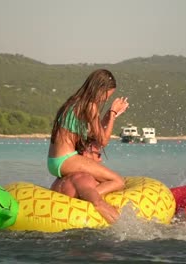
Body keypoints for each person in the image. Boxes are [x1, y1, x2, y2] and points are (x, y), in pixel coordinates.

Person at [47, 69, 129, 223]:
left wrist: (111, 115)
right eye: (106, 95)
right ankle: (90, 198)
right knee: (118, 181)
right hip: (66, 159)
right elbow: (103, 141)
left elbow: (93, 136)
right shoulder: (90, 106)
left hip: (55, 160)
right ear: (99, 89)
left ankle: (85, 193)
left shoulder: (74, 103)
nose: (105, 99)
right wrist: (112, 113)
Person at [50, 138, 118, 223]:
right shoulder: (82, 178)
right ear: (86, 154)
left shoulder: (59, 179)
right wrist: (121, 223)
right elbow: (97, 203)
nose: (100, 159)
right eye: (98, 155)